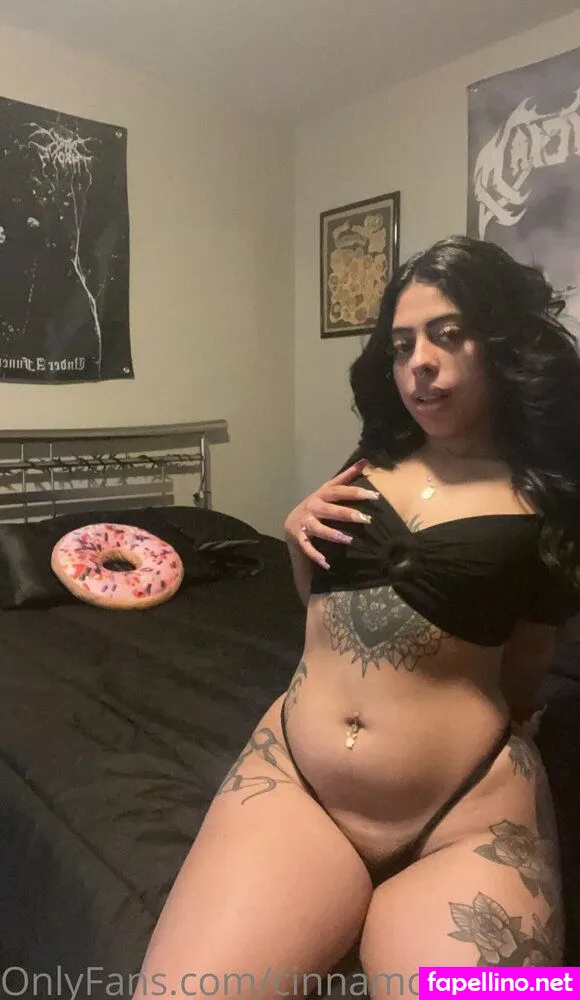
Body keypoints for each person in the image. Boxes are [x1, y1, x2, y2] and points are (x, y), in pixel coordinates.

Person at [133, 236, 580, 999]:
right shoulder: (370, 461)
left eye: (446, 335)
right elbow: (326, 616)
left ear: (500, 342)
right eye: (402, 345)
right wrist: (295, 539)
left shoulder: (547, 498)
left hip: (464, 811)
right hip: (296, 783)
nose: (419, 364)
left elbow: (528, 661)